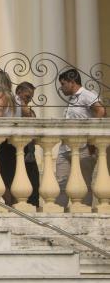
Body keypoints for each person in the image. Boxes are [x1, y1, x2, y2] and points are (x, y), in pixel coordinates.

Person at [55, 68, 106, 208]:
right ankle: (60, 211)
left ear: (72, 82)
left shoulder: (86, 95)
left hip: (84, 147)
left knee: (84, 182)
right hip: (65, 147)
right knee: (61, 181)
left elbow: (101, 110)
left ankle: (84, 209)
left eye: (63, 84)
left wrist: (91, 138)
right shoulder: (72, 99)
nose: (62, 88)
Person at [0, 74, 39, 207]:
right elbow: (29, 117)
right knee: (13, 176)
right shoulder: (15, 99)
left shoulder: (0, 95)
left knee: (4, 177)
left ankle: (10, 204)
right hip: (16, 143)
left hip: (4, 142)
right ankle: (15, 204)